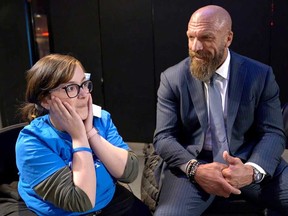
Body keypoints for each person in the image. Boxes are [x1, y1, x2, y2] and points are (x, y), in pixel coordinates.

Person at [153, 5, 288, 216]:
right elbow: (163, 137)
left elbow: (273, 132)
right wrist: (195, 169)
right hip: (194, 164)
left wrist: (252, 171)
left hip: (247, 158)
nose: (195, 47)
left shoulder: (260, 76)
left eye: (206, 37)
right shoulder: (172, 79)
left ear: (228, 38)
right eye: (191, 37)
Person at [15, 54, 152, 216]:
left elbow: (129, 172)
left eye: (84, 84)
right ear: (45, 100)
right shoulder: (32, 142)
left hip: (108, 202)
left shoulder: (100, 119)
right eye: (71, 88)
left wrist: (90, 133)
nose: (84, 94)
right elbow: (81, 201)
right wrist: (79, 137)